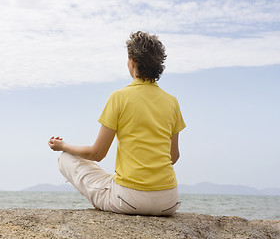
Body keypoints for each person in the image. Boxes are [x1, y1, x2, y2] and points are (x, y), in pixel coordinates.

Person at [48, 31, 186, 216]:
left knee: (65, 158)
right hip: (169, 201)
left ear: (132, 62)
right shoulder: (172, 102)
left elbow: (97, 154)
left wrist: (62, 145)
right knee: (113, 178)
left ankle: (103, 200)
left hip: (130, 201)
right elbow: (173, 156)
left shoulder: (119, 97)